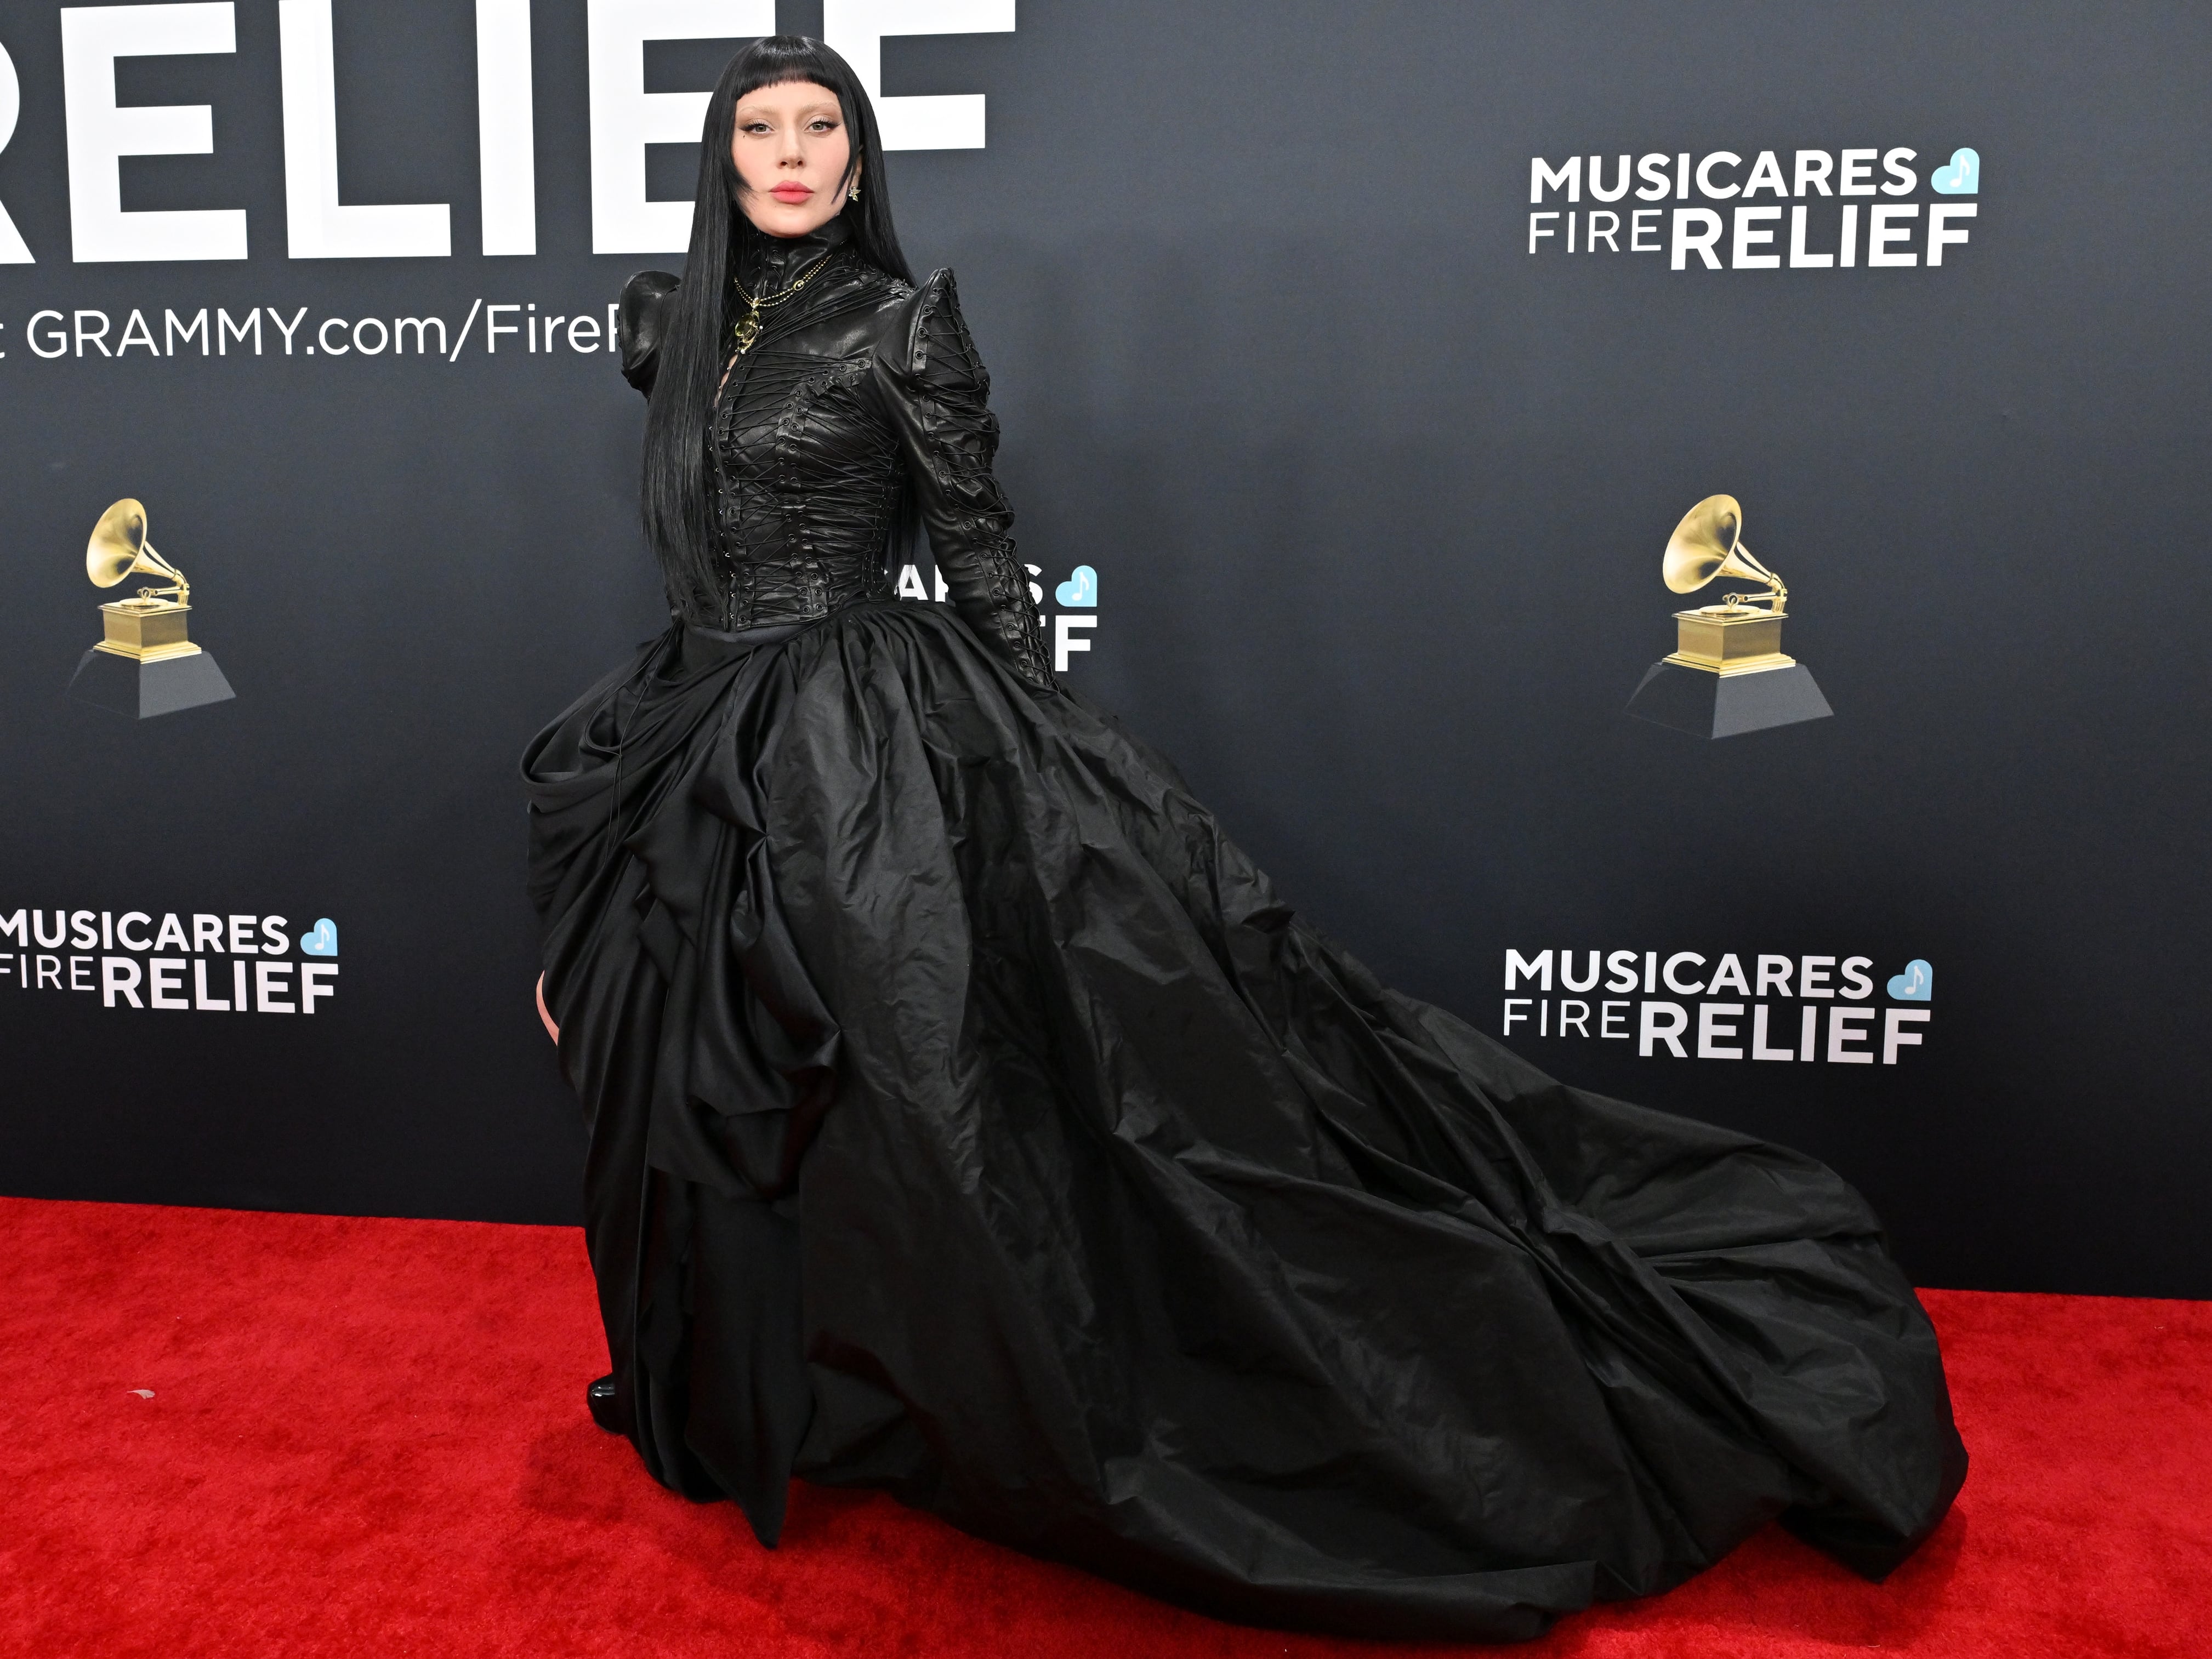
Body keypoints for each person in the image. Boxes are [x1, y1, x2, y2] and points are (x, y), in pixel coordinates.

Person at [521, 36, 1965, 1643]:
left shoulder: (900, 323)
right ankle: (746, 1384)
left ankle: (932, 1389)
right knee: (687, 1060)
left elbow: (981, 548)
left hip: (858, 737)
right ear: (719, 160)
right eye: (757, 129)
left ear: (859, 162)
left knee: (900, 1078)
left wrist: (1041, 761)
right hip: (694, 724)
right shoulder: (660, 324)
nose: (789, 153)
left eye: (820, 129)